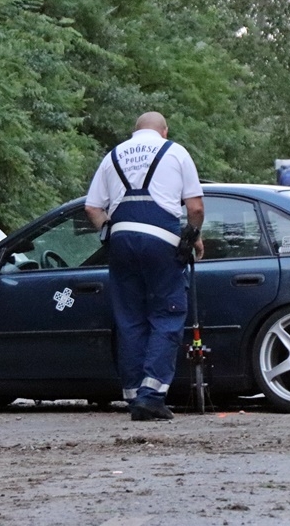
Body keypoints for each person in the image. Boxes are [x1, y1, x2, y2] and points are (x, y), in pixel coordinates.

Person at [85, 112, 204, 421]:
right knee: (167, 314)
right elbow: (195, 207)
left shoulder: (113, 155)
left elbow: (92, 207)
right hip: (162, 240)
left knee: (130, 318)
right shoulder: (175, 152)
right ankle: (151, 396)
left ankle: (134, 394)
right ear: (164, 131)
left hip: (121, 241)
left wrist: (110, 234)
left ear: (135, 131)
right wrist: (191, 238)